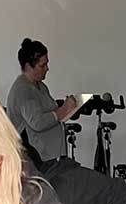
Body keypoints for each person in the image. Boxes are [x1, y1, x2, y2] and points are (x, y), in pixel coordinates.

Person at [6, 38, 84, 171]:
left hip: (53, 159)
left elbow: (51, 114)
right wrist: (64, 110)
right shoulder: (23, 89)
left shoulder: (40, 86)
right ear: (28, 66)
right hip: (41, 163)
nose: (47, 69)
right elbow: (37, 122)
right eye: (42, 65)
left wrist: (68, 107)